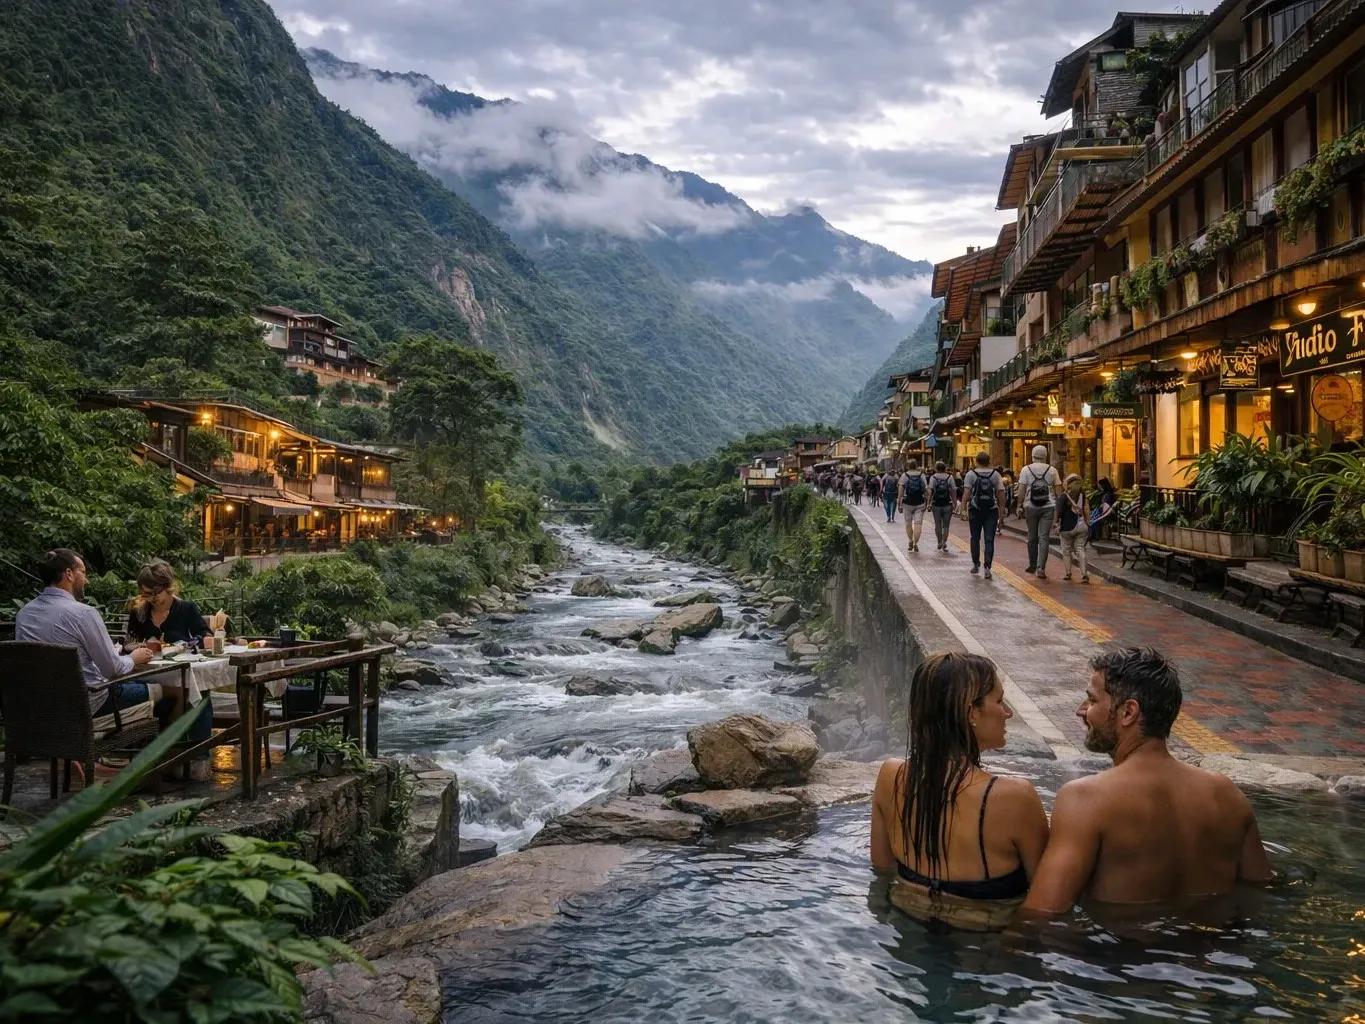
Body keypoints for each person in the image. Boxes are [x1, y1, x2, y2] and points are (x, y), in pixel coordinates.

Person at [1023, 648, 1273, 914]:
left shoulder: (1086, 798)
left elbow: (1043, 914)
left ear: (1128, 712)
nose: (1080, 710)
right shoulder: (1227, 795)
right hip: (1211, 936)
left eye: (1092, 700)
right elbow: (1261, 888)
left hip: (1117, 939)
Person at [871, 652, 1050, 931]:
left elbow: (882, 872)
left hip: (907, 931)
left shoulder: (890, 776)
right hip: (985, 946)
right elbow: (1048, 900)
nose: (1008, 713)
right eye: (1000, 701)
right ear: (972, 713)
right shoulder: (1014, 797)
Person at [13, 550, 211, 784]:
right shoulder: (83, 614)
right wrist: (134, 657)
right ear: (69, 574)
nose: (86, 579)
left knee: (149, 687)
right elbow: (113, 670)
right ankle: (166, 763)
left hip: (40, 712)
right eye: (83, 572)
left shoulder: (24, 614)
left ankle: (159, 760)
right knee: (179, 692)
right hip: (90, 706)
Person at [126, 559, 212, 645]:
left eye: (158, 592)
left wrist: (181, 641)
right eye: (148, 593)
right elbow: (128, 644)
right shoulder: (138, 613)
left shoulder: (187, 608)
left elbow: (206, 638)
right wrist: (142, 645)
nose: (153, 597)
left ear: (168, 587)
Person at [1016, 446, 1061, 580]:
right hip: (1049, 506)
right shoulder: (1052, 470)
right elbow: (1058, 490)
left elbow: (1021, 489)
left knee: (1032, 536)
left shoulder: (1026, 469)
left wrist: (1019, 505)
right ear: (1045, 456)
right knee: (1044, 537)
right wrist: (1060, 508)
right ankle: (1041, 567)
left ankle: (1032, 564)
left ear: (1033, 455)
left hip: (1030, 506)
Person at [962, 452, 1005, 579]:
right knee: (989, 539)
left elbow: (966, 492)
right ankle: (987, 567)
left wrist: (963, 508)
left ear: (976, 461)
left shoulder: (971, 474)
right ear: (989, 461)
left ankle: (976, 564)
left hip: (975, 510)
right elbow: (1001, 494)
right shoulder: (995, 475)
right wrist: (1001, 513)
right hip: (991, 510)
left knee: (975, 538)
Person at [1057, 474, 1091, 583]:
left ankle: (1068, 573)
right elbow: (1087, 511)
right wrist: (1088, 524)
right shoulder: (1083, 496)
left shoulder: (1063, 496)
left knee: (1066, 550)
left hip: (1066, 528)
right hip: (1082, 527)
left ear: (1067, 484)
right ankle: (1084, 574)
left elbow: (1058, 512)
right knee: (1080, 549)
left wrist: (1056, 524)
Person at [898, 459, 929, 553]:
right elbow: (926, 489)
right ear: (916, 465)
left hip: (907, 503)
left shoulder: (904, 475)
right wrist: (927, 501)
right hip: (920, 503)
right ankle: (916, 543)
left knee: (908, 523)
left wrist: (899, 502)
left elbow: (900, 489)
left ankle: (910, 540)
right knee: (918, 523)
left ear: (908, 466)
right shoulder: (921, 475)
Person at [927, 461, 957, 551]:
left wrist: (928, 502)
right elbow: (953, 490)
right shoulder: (950, 477)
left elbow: (930, 491)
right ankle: (944, 542)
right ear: (945, 468)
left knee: (937, 524)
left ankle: (939, 541)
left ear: (936, 468)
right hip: (947, 504)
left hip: (936, 504)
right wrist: (955, 502)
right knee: (946, 525)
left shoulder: (933, 478)